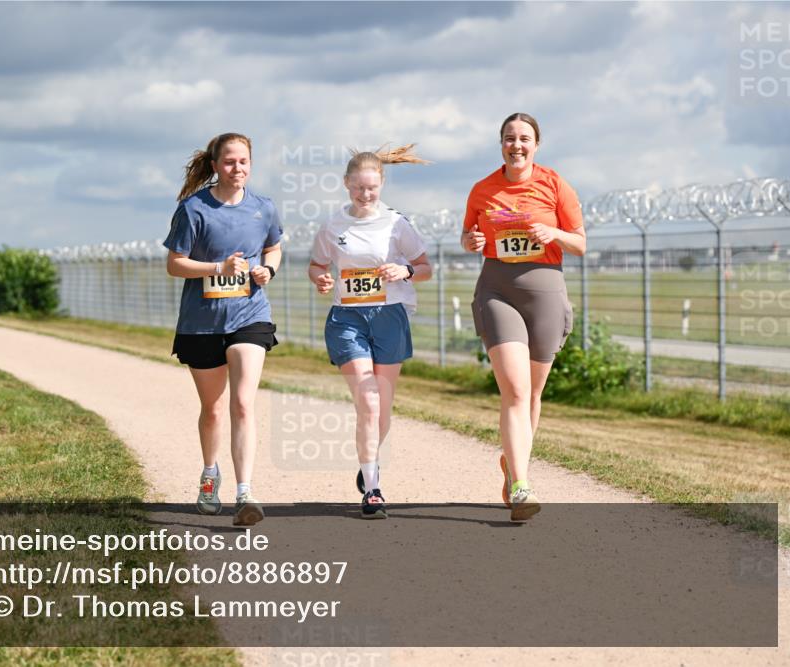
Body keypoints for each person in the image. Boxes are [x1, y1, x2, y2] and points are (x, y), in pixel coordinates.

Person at [461, 112, 586, 521]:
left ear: (536, 144)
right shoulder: (483, 189)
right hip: (497, 290)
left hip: (545, 293)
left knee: (532, 394)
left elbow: (581, 243)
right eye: (509, 138)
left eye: (524, 138)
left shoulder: (555, 184)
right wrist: (471, 240)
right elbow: (468, 236)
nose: (516, 145)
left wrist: (555, 234)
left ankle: (513, 464)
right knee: (515, 391)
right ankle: (521, 486)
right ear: (501, 144)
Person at [164, 132, 282, 526]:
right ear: (215, 166)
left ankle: (245, 492)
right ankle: (210, 473)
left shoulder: (264, 208)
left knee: (243, 403)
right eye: (230, 161)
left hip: (250, 315)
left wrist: (268, 270)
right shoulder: (193, 209)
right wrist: (219, 268)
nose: (237, 168)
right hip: (202, 323)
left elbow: (274, 247)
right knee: (213, 409)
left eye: (243, 161)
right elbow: (175, 264)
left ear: (251, 164)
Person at [308, 145, 433, 519]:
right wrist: (321, 278)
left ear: (382, 185)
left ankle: (369, 462)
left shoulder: (396, 224)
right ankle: (374, 489)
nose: (365, 195)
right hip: (347, 318)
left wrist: (405, 271)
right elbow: (316, 265)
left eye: (372, 188)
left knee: (382, 406)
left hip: (389, 316)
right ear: (346, 184)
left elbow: (425, 267)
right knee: (369, 399)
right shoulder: (333, 226)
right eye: (359, 188)